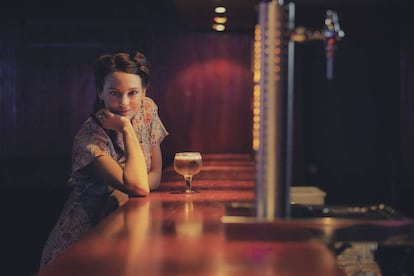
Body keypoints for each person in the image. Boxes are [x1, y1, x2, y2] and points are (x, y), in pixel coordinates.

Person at [39, 51, 168, 268]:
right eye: (114, 93)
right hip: (81, 243)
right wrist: (126, 128)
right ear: (101, 92)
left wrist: (145, 182)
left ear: (144, 91)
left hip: (123, 235)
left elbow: (155, 174)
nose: (124, 103)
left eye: (133, 92)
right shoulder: (89, 138)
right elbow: (139, 186)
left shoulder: (147, 109)